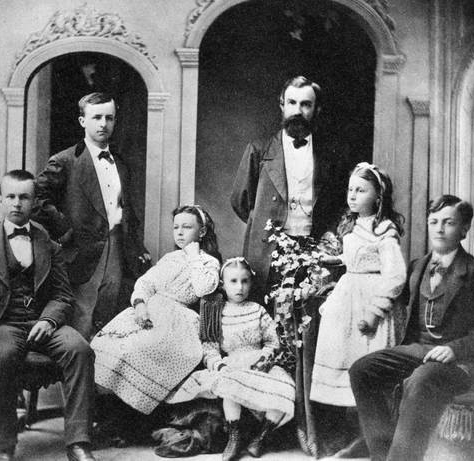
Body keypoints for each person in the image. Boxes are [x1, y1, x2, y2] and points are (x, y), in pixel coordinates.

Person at [349, 195, 474, 461]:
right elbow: (391, 301)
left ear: (464, 229)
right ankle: (383, 454)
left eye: (449, 222)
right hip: (419, 350)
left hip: (462, 362)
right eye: (434, 221)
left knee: (423, 378)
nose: (439, 228)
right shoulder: (417, 267)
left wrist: (454, 349)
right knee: (362, 370)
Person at [0, 170, 96, 461]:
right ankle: (5, 446)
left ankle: (78, 443)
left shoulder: (49, 244)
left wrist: (48, 320)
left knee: (81, 350)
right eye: (11, 197)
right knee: (3, 356)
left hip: (43, 321)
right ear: (0, 198)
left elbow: (63, 295)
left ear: (33, 201)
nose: (17, 203)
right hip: (2, 323)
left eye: (24, 197)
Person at [34, 92, 150, 340]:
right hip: (81, 249)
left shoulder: (120, 163)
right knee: (81, 314)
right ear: (82, 121)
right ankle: (76, 374)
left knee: (110, 310)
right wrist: (63, 229)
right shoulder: (65, 161)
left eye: (109, 118)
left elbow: (127, 208)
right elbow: (36, 198)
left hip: (117, 246)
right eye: (96, 117)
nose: (103, 124)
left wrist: (136, 244)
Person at [309, 162, 407, 456]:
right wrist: (335, 261)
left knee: (365, 367)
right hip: (347, 299)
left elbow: (395, 276)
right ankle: (354, 435)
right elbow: (357, 258)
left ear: (378, 197)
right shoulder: (352, 226)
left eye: (360, 190)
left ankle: (373, 437)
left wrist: (375, 312)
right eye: (350, 189)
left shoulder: (385, 233)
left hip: (369, 303)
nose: (352, 196)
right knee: (344, 361)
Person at [91, 205, 221, 415]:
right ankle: (107, 414)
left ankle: (127, 417)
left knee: (135, 350)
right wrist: (140, 304)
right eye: (176, 227)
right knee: (102, 345)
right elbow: (146, 284)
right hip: (150, 309)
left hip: (177, 320)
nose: (179, 232)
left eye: (187, 227)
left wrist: (195, 255)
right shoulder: (169, 258)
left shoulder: (208, 261)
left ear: (202, 232)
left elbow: (203, 288)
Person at [230, 75, 350, 304]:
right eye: (292, 103)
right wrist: (266, 222)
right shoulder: (259, 150)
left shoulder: (332, 155)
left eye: (306, 104)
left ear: (317, 109)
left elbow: (339, 205)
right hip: (268, 251)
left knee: (307, 314)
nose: (298, 110)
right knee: (265, 315)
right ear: (282, 105)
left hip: (313, 250)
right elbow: (241, 201)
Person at [167, 257, 295, 461]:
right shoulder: (217, 313)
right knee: (229, 385)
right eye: (233, 281)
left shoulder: (258, 310)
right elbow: (210, 349)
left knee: (286, 387)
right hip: (233, 363)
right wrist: (220, 365)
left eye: (245, 281)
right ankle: (234, 437)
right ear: (222, 284)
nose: (240, 287)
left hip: (260, 364)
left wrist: (265, 357)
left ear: (251, 283)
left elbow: (272, 341)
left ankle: (261, 437)